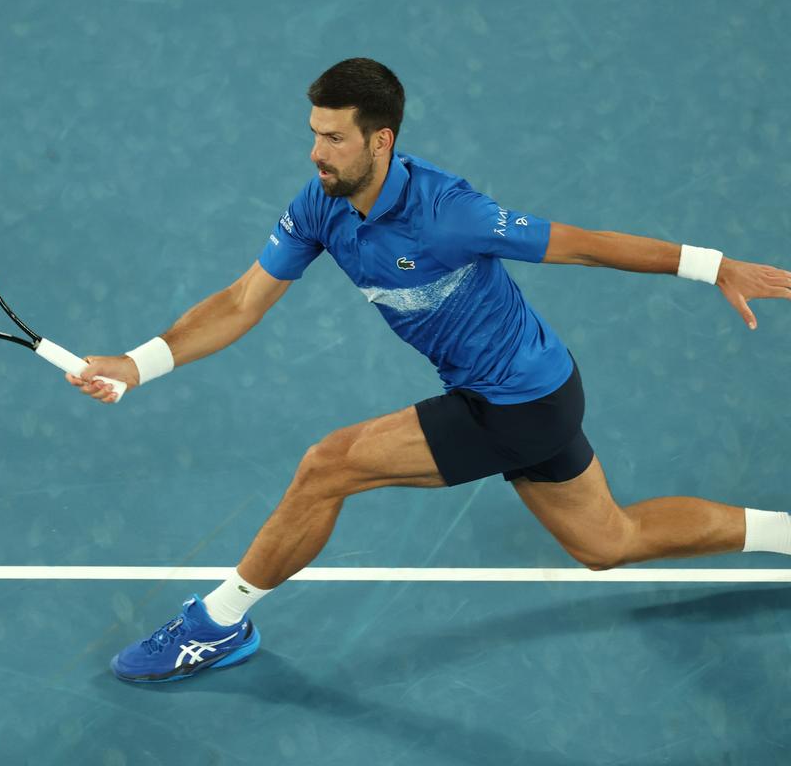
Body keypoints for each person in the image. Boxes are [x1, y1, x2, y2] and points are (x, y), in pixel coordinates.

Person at [66, 58, 791, 683]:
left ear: (380, 140)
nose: (317, 152)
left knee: (329, 465)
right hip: (531, 390)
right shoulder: (321, 204)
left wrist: (714, 265)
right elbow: (241, 301)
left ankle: (219, 624)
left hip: (517, 403)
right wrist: (137, 364)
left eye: (334, 137)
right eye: (314, 133)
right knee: (608, 543)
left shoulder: (451, 214)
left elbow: (585, 245)